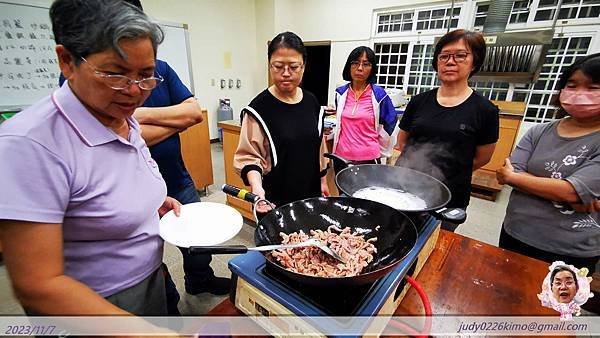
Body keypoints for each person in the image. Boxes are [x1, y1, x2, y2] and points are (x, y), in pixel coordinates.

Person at [0, 0, 180, 315]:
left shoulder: (118, 115)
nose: (135, 91)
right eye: (116, 74)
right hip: (95, 305)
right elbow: (38, 286)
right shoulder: (29, 145)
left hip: (149, 276)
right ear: (67, 61)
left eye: (146, 75)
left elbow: (105, 182)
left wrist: (148, 203)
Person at [497, 53, 600, 275]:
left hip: (570, 249)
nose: (580, 94)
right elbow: (507, 173)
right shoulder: (539, 131)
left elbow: (571, 191)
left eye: (593, 88)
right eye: (572, 85)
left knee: (554, 305)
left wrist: (519, 179)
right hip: (516, 233)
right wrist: (569, 192)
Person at [395, 29, 499, 231]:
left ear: (474, 62)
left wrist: (447, 171)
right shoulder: (418, 102)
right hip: (405, 190)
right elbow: (402, 142)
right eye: (444, 56)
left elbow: (482, 158)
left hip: (450, 196)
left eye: (460, 55)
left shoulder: (485, 110)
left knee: (436, 250)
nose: (450, 61)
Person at [234, 31, 329, 213]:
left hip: (310, 196)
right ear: (270, 66)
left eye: (293, 67)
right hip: (275, 201)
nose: (286, 73)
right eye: (278, 66)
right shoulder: (258, 109)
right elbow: (248, 157)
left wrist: (323, 180)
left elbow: (319, 146)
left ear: (304, 66)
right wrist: (256, 187)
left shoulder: (312, 102)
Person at [330, 46, 398, 173]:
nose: (360, 68)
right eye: (355, 63)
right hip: (341, 157)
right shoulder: (340, 93)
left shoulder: (379, 95)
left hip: (369, 160)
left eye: (366, 64)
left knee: (366, 193)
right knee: (341, 193)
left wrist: (379, 151)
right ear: (349, 66)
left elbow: (391, 125)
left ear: (372, 69)